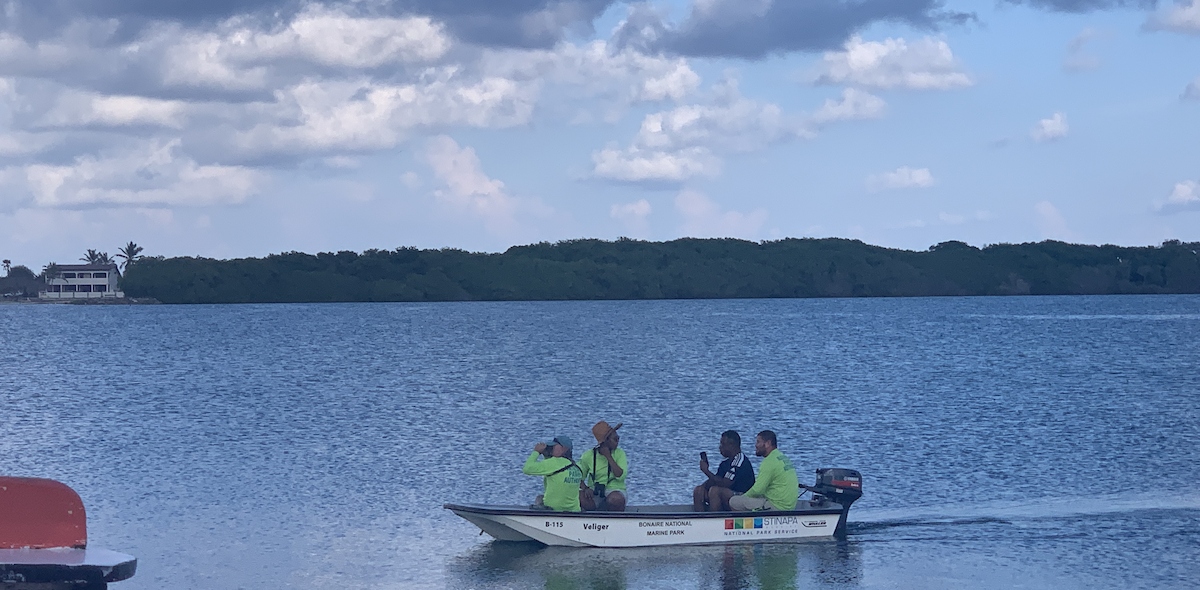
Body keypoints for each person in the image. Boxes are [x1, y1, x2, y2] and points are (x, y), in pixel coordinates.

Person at [730, 430, 798, 511]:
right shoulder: (782, 457)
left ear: (768, 443)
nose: (756, 445)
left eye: (758, 442)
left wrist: (744, 496)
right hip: (789, 506)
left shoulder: (768, 462)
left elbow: (757, 490)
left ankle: (745, 523)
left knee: (734, 501)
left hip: (777, 506)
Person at [693, 430, 755, 512]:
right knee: (698, 490)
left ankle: (715, 521)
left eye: (723, 444)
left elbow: (725, 483)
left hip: (744, 497)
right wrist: (702, 488)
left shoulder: (739, 461)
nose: (720, 447)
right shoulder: (724, 464)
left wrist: (706, 471)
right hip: (730, 496)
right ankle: (700, 521)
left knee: (715, 491)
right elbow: (716, 480)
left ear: (732, 445)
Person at [523, 436, 583, 512]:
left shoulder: (554, 462)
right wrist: (546, 456)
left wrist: (536, 452)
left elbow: (527, 469)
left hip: (553, 510)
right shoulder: (577, 466)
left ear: (563, 448)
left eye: (554, 446)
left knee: (539, 498)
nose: (552, 448)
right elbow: (553, 474)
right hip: (574, 510)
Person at [579, 421, 627, 511]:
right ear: (605, 441)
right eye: (615, 439)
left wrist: (608, 456)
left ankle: (614, 520)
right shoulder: (588, 455)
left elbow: (620, 475)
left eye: (618, 438)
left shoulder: (619, 453)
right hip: (595, 491)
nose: (618, 441)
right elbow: (577, 476)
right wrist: (585, 488)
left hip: (615, 490)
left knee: (615, 499)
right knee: (576, 496)